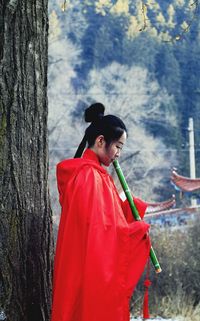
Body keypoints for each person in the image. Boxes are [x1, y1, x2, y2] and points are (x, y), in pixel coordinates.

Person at [51, 103, 151, 321]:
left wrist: (141, 208)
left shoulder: (93, 175)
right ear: (100, 141)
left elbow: (110, 213)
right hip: (86, 272)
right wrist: (138, 231)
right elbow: (101, 231)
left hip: (80, 268)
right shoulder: (89, 177)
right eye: (118, 147)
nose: (118, 154)